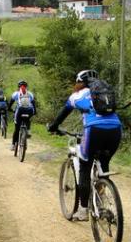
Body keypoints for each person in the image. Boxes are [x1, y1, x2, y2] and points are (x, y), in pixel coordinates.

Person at [47, 70, 122, 221]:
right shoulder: (104, 93)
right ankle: (102, 204)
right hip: (116, 130)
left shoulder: (77, 96)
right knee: (104, 163)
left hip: (94, 130)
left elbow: (63, 113)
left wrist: (53, 127)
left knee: (85, 166)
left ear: (80, 82)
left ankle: (83, 211)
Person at [8, 80, 36, 151]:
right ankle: (28, 131)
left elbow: (10, 103)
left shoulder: (16, 94)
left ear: (18, 87)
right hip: (29, 111)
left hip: (19, 111)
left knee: (17, 129)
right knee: (28, 119)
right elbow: (33, 104)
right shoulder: (30, 94)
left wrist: (9, 109)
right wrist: (34, 112)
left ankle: (13, 145)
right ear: (26, 87)